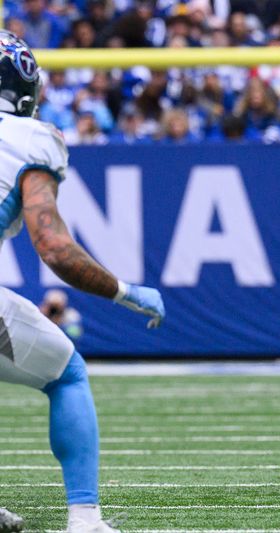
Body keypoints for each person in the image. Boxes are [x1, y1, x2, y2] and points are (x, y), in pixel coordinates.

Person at [0, 32, 165, 532]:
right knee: (66, 371)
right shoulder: (29, 139)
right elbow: (52, 246)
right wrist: (123, 290)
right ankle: (85, 518)